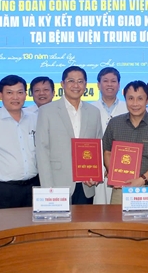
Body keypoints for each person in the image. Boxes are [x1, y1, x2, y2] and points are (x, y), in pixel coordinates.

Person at [36, 66, 103, 204]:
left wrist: (96, 175)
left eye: (80, 81)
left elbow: (98, 146)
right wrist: (47, 188)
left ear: (85, 85)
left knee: (85, 219)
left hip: (86, 184)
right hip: (57, 183)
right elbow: (42, 151)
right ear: (62, 84)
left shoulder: (94, 112)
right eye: (71, 81)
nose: (76, 85)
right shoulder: (47, 111)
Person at [102, 81, 148, 205]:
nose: (135, 104)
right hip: (121, 189)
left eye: (140, 99)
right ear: (125, 99)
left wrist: (142, 179)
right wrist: (113, 174)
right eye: (130, 98)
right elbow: (107, 152)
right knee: (116, 218)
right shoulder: (115, 124)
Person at [0, 75, 39, 209]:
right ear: (0, 95)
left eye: (20, 92)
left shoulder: (35, 119)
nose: (15, 97)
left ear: (25, 95)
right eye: (9, 93)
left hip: (34, 188)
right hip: (3, 190)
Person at [91, 67, 128, 204]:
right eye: (105, 81)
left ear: (119, 85)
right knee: (98, 209)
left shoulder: (129, 108)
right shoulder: (89, 109)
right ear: (98, 85)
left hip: (124, 168)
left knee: (120, 209)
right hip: (96, 169)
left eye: (113, 81)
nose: (109, 84)